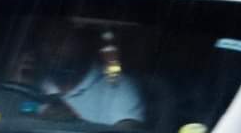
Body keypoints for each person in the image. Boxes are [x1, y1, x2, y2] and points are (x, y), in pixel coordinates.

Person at [15, 21, 145, 126]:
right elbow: (14, 116)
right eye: (46, 40)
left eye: (61, 39)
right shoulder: (33, 81)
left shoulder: (117, 84)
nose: (52, 47)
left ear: (84, 43)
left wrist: (73, 123)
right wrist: (20, 88)